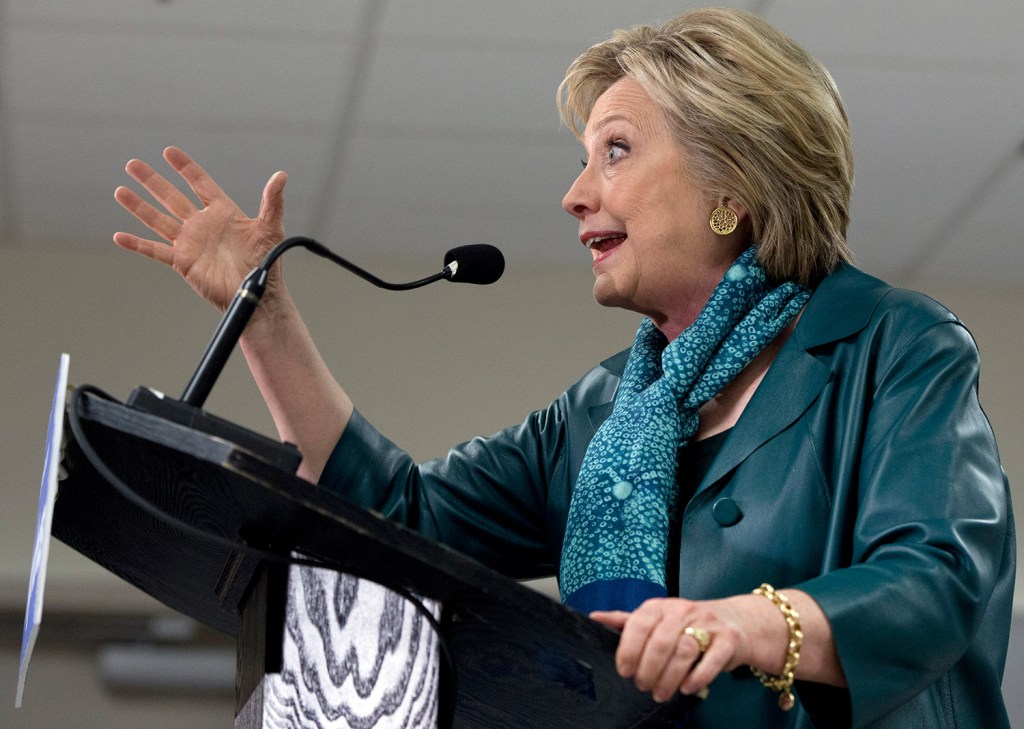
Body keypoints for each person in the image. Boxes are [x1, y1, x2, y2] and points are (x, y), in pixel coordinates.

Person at [113, 7, 1014, 728]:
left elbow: (939, 578)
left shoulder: (891, 348)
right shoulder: (604, 414)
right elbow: (397, 521)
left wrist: (743, 622)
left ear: (733, 188)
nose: (574, 194)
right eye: (583, 160)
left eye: (615, 152)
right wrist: (264, 316)